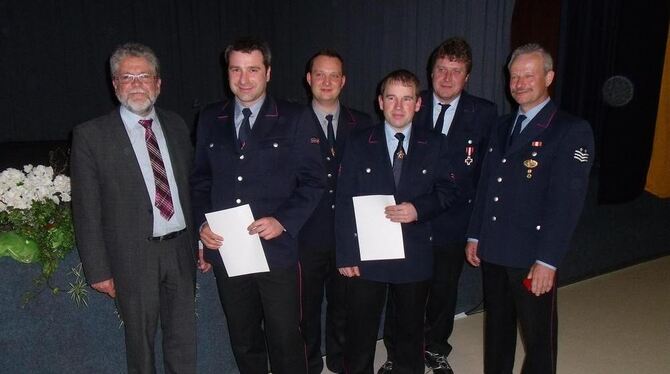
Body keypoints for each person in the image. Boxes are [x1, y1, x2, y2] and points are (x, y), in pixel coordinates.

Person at [191, 37, 324, 374]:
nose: (244, 78)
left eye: (252, 70)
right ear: (228, 72)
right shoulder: (209, 117)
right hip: (229, 249)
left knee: (284, 337)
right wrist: (201, 225)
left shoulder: (295, 117)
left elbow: (314, 181)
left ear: (267, 72)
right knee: (243, 335)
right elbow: (199, 180)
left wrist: (283, 220)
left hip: (276, 248)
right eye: (236, 69)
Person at [465, 43, 594, 373]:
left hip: (531, 254)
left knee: (539, 340)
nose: (519, 83)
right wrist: (476, 234)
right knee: (497, 330)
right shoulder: (501, 125)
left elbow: (566, 204)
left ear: (548, 77)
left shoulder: (570, 130)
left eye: (529, 75)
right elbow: (486, 186)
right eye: (514, 76)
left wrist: (547, 261)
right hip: (494, 249)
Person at [71, 42, 197, 374]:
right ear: (115, 85)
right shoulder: (91, 136)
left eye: (144, 76)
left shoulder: (177, 126)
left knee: (184, 339)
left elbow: (192, 189)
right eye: (127, 76)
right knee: (140, 345)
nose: (137, 84)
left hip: (180, 250)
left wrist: (199, 243)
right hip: (132, 257)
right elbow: (86, 210)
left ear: (159, 83)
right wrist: (98, 269)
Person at [379, 37, 497, 374]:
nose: (446, 78)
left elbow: (486, 174)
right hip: (409, 218)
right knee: (400, 290)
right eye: (441, 70)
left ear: (467, 76)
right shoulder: (410, 103)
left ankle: (434, 347)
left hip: (453, 220)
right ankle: (396, 351)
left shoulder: (484, 113)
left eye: (455, 71)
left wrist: (478, 230)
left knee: (444, 290)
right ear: (430, 73)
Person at [336, 69, 458, 374]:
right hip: (367, 254)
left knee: (410, 331)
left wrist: (419, 208)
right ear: (380, 102)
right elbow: (343, 199)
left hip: (414, 251)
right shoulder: (358, 141)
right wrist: (346, 254)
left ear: (418, 103)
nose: (399, 106)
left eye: (407, 99)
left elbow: (448, 191)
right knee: (360, 332)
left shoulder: (436, 144)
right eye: (392, 98)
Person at [298, 49, 373, 374]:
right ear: (309, 79)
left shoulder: (364, 123)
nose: (326, 82)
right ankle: (309, 365)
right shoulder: (291, 122)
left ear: (343, 81)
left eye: (333, 75)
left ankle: (342, 364)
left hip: (348, 235)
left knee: (344, 308)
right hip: (306, 235)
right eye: (320, 74)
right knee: (306, 310)